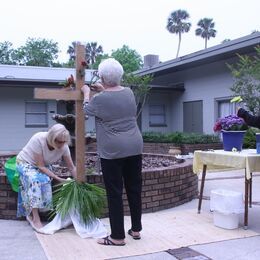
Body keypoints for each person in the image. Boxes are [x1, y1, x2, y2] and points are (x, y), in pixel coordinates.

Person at [81, 58, 143, 246]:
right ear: (120, 75)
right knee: (134, 189)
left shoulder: (99, 100)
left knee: (115, 192)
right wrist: (103, 90)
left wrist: (86, 93)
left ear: (101, 77)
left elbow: (87, 109)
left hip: (112, 151)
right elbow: (114, 98)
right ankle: (136, 229)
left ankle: (117, 237)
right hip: (134, 146)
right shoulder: (129, 93)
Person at [16, 123, 76, 230]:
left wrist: (79, 181)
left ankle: (43, 210)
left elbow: (71, 167)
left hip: (43, 165)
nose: (61, 144)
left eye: (64, 142)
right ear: (51, 137)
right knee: (36, 180)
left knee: (46, 179)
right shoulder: (38, 139)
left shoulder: (64, 147)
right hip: (25, 162)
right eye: (58, 141)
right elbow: (40, 166)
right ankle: (35, 217)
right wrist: (59, 179)